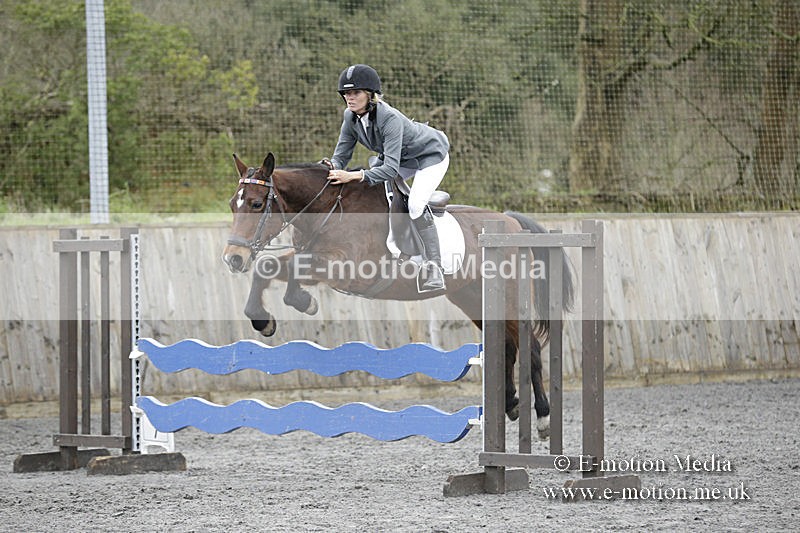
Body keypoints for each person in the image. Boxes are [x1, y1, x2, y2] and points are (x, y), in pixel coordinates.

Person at [323, 64, 450, 292]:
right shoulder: (350, 117)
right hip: (401, 159)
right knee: (376, 193)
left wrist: (352, 175)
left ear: (370, 95)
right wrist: (331, 169)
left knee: (415, 204)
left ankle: (434, 267)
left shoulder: (388, 118)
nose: (350, 99)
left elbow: (390, 170)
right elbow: (341, 154)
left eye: (356, 93)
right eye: (346, 94)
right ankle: (393, 250)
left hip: (430, 156)